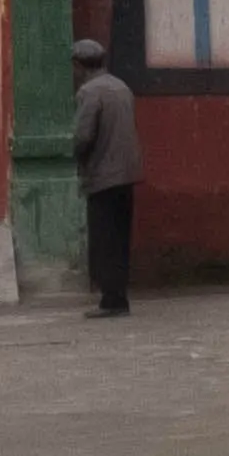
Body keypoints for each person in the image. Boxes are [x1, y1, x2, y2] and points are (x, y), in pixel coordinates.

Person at [70, 36, 141, 314]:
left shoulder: (89, 92)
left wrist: (77, 156)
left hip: (103, 176)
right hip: (127, 173)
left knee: (104, 240)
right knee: (120, 239)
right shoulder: (121, 87)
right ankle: (119, 296)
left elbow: (83, 136)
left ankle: (110, 300)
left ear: (79, 65)